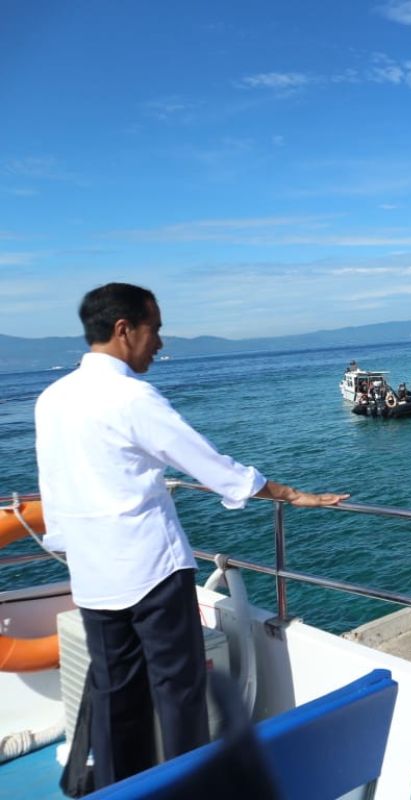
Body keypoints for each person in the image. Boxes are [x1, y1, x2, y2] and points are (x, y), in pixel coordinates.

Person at [34, 282, 348, 788]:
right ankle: (189, 791)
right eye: (154, 330)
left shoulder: (51, 400)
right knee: (179, 696)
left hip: (92, 576)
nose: (159, 343)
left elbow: (55, 491)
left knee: (116, 699)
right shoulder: (132, 397)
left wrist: (71, 549)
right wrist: (291, 494)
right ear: (124, 329)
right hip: (150, 571)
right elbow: (208, 464)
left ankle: (122, 793)